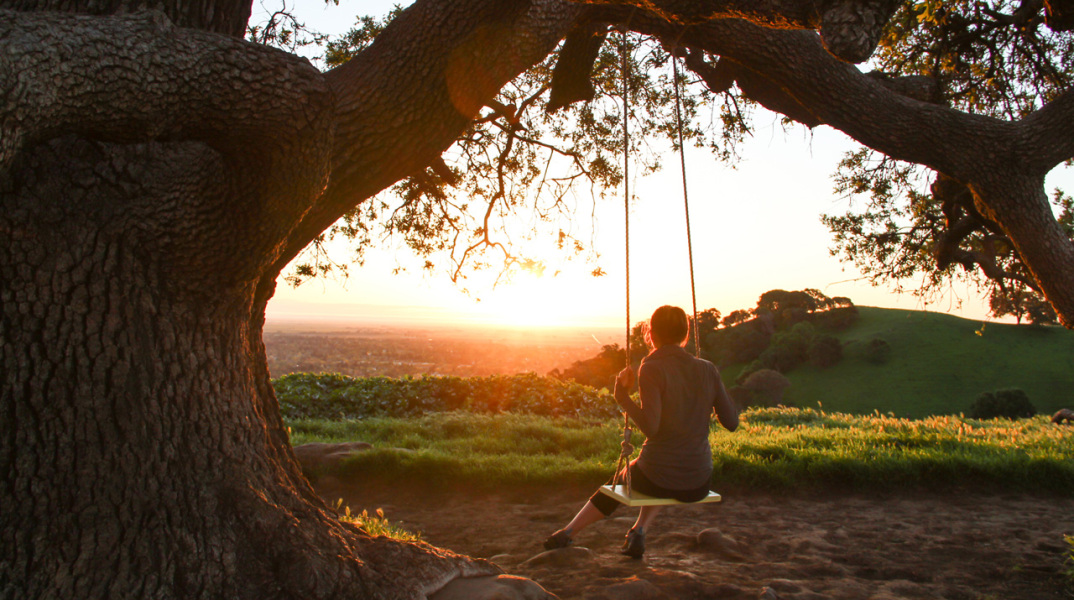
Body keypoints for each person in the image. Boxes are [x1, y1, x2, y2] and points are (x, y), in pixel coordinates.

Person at [542, 305, 739, 558]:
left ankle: (567, 533)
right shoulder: (707, 369)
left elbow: (651, 429)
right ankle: (639, 532)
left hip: (658, 476)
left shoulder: (652, 367)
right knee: (651, 470)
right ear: (685, 334)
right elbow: (731, 422)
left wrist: (622, 396)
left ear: (652, 334)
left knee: (633, 476)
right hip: (698, 481)